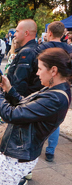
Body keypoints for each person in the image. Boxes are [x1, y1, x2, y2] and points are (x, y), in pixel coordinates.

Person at [0, 47, 71, 185]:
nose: (37, 73)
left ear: (53, 70)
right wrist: (9, 89)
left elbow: (12, 115)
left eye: (39, 69)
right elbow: (27, 108)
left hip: (17, 156)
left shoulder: (55, 98)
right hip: (21, 153)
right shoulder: (54, 90)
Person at [35, 21, 72, 163]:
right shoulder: (68, 48)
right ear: (63, 34)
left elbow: (36, 70)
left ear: (49, 33)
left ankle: (36, 147)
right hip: (63, 88)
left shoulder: (43, 47)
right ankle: (50, 151)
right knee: (54, 122)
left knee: (38, 119)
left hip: (44, 86)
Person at [7, 19, 41, 97]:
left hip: (22, 103)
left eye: (17, 31)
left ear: (26, 33)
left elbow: (19, 84)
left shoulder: (27, 52)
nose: (14, 34)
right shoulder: (35, 49)